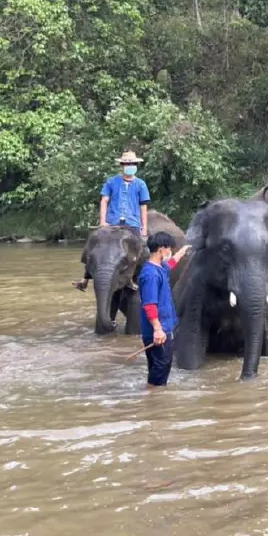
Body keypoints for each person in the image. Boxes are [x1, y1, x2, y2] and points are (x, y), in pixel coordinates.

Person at [72, 150, 151, 292]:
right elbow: (104, 200)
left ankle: (131, 278)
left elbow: (143, 206)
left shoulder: (141, 184)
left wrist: (144, 227)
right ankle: (85, 279)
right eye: (127, 163)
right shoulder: (112, 182)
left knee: (142, 248)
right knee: (94, 244)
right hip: (112, 221)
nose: (130, 165)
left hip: (132, 223)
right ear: (122, 165)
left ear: (136, 165)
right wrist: (103, 221)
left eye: (132, 163)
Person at [138, 231, 190, 389]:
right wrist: (158, 329)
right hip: (157, 331)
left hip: (163, 327)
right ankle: (154, 398)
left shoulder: (159, 268)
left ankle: (153, 395)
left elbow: (171, 263)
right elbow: (149, 304)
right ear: (161, 249)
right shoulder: (151, 275)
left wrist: (183, 251)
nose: (170, 252)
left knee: (158, 367)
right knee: (161, 366)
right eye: (169, 249)